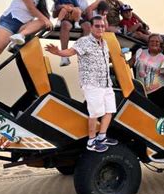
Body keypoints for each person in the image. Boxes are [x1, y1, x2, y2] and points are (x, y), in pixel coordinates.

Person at [44, 16, 118, 152]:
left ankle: (102, 137)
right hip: (92, 83)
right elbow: (71, 52)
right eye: (97, 26)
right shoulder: (84, 41)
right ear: (91, 27)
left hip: (106, 83)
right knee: (95, 112)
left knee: (109, 110)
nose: (100, 28)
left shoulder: (104, 42)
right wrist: (59, 52)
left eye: (102, 26)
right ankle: (91, 141)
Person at [132, 34, 164, 108]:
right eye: (152, 41)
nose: (154, 43)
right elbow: (128, 64)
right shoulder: (140, 52)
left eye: (157, 41)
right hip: (140, 91)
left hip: (157, 93)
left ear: (160, 44)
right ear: (148, 43)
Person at [58, 0, 91, 66]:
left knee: (88, 25)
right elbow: (56, 9)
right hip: (67, 17)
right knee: (65, 25)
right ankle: (64, 56)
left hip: (78, 18)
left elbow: (84, 12)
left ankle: (81, 54)